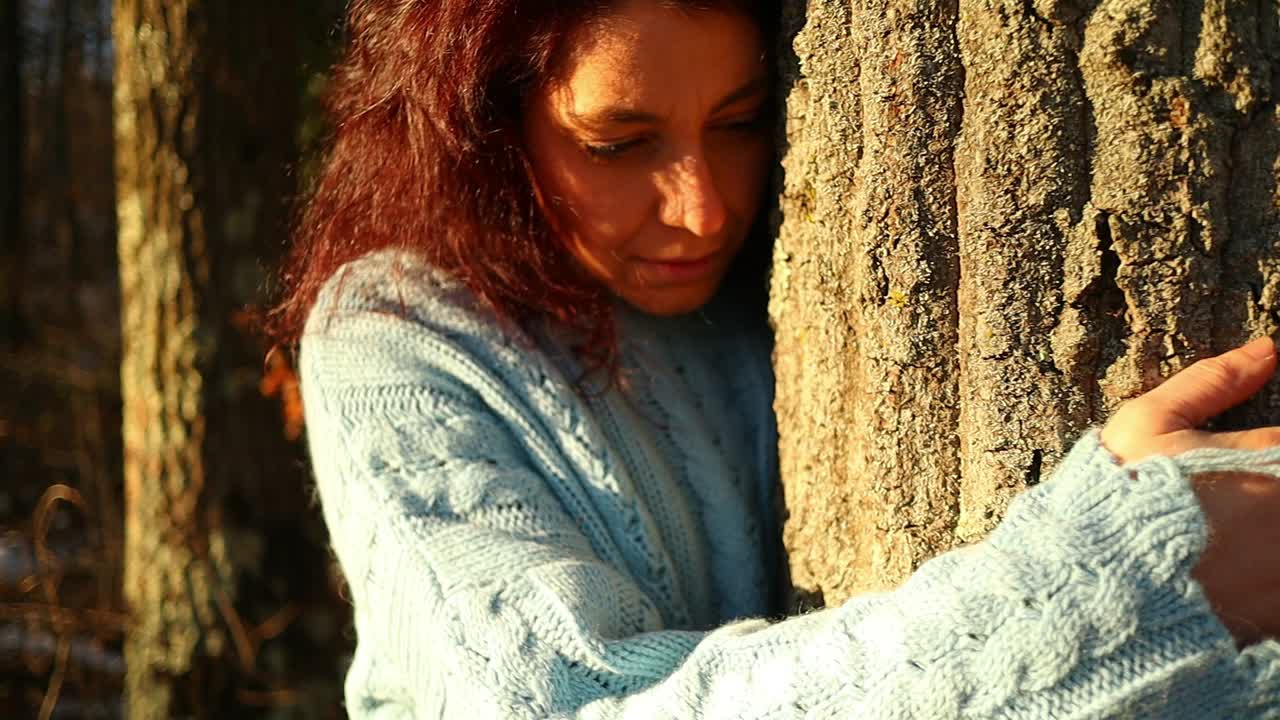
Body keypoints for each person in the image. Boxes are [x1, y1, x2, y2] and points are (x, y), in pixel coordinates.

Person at [271, 0, 1280, 716]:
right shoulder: (401, 339)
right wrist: (1106, 592)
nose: (702, 207)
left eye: (740, 123)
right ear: (487, 123)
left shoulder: (772, 280)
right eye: (618, 141)